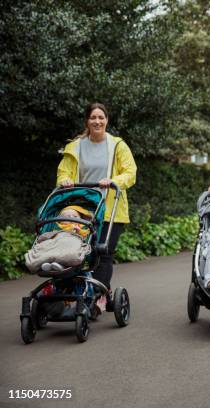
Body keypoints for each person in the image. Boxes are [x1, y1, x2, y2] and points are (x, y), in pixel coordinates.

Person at [56, 102, 137, 312]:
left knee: (103, 252)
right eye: (93, 117)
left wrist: (113, 181)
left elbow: (130, 172)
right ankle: (68, 291)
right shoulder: (75, 146)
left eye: (101, 117)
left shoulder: (117, 145)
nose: (97, 121)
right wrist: (64, 180)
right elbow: (63, 171)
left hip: (110, 207)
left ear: (107, 120)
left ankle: (100, 295)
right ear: (87, 121)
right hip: (82, 205)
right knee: (72, 250)